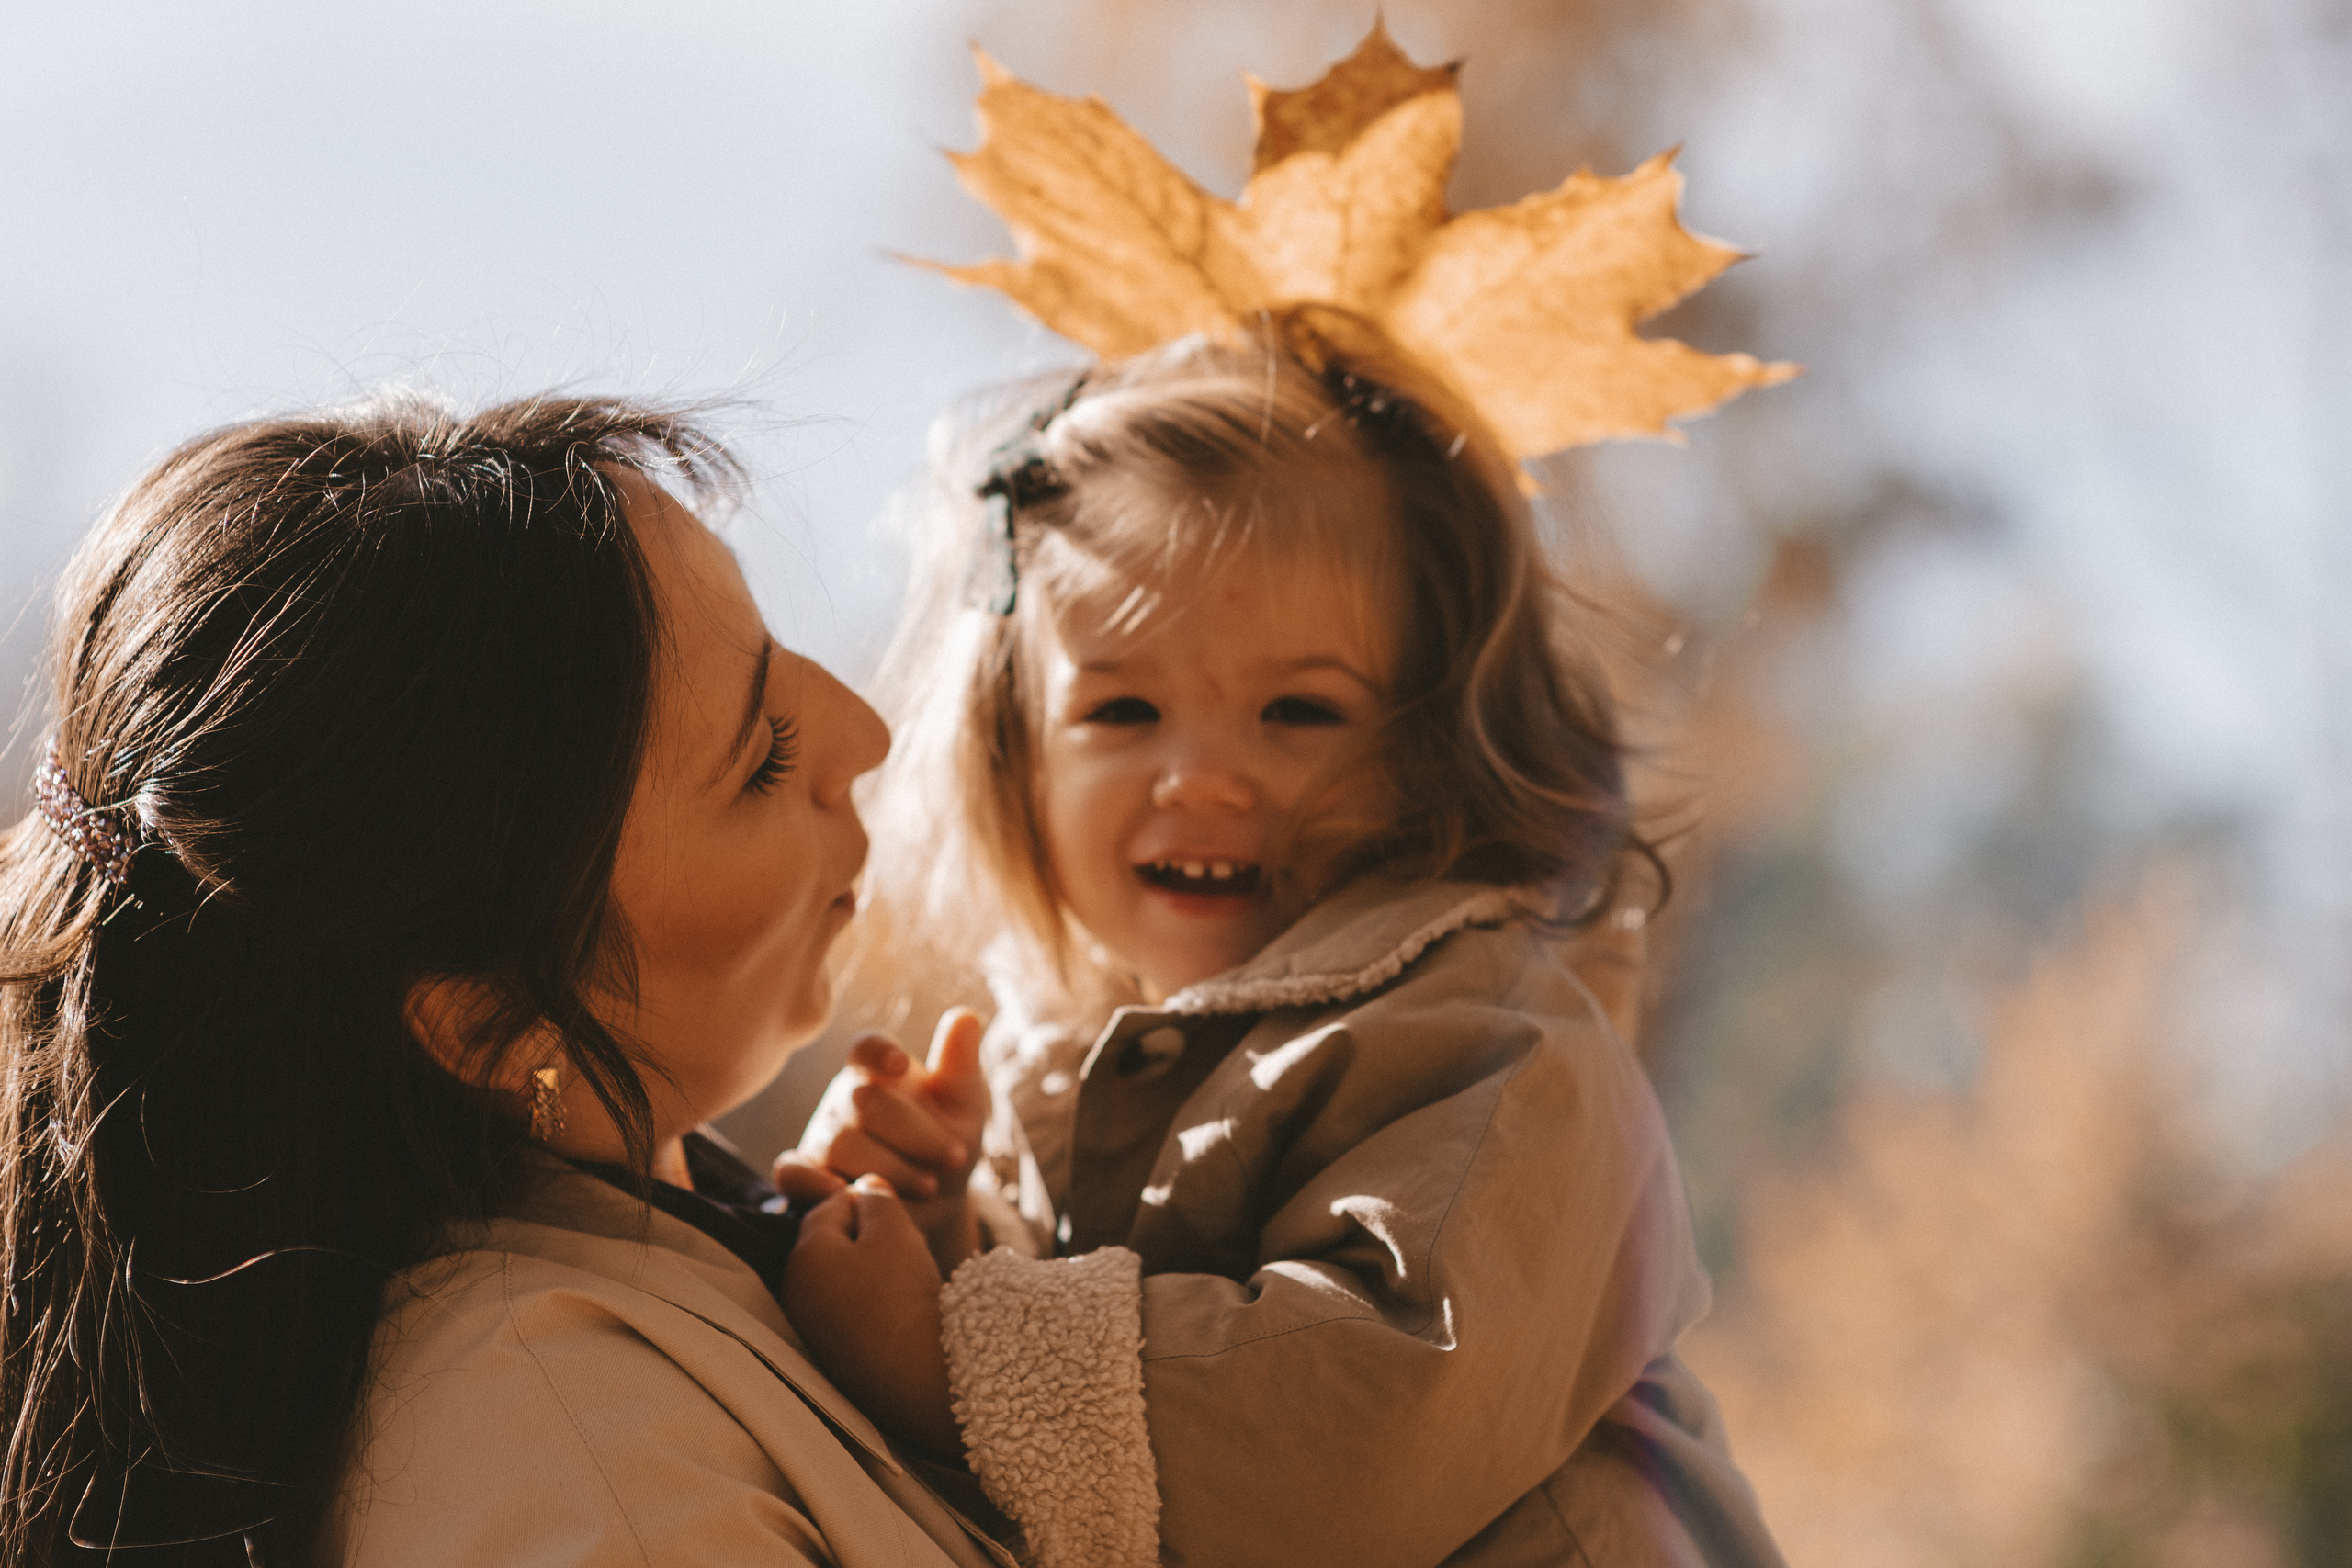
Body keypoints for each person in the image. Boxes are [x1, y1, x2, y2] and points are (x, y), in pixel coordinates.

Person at [775, 333, 1792, 1567]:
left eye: (1299, 710)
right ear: (1013, 754)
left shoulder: (1502, 1052)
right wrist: (936, 1234)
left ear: (1435, 749)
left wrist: (942, 1352)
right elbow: (1085, 1445)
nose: (1201, 774)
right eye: (1121, 710)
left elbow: (1356, 1428)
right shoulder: (1080, 1075)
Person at [0, 391, 1013, 1566]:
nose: (864, 736)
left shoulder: (700, 1280)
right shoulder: (575, 1463)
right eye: (762, 758)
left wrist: (940, 1280)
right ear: (487, 1022)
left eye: (782, 665)